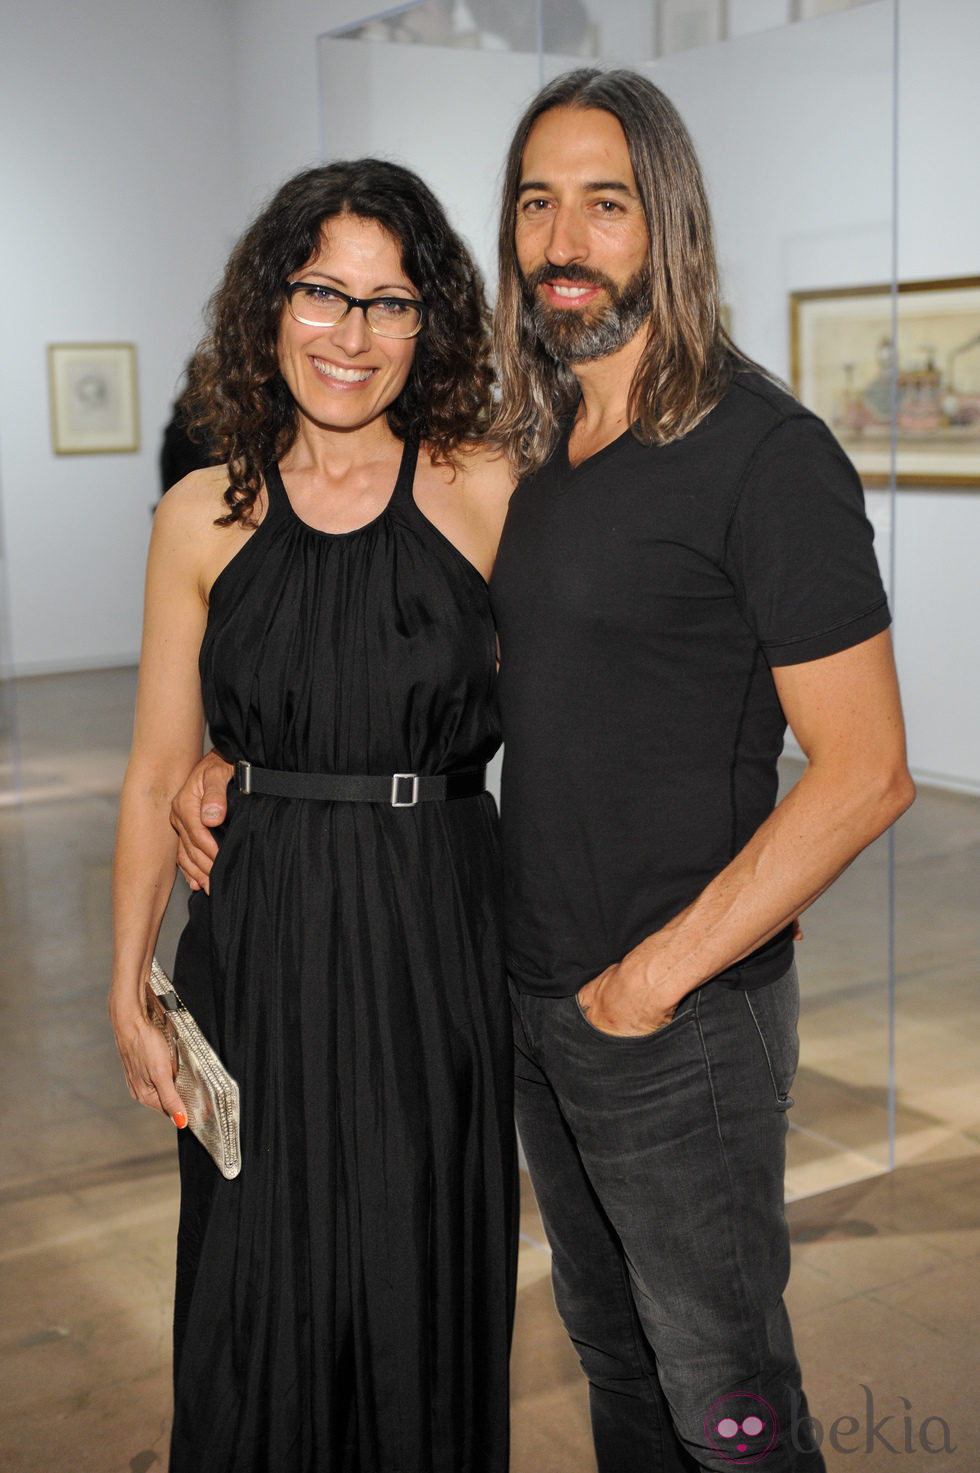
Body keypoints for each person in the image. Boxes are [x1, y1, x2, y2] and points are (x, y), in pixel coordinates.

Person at [173, 69, 916, 1473]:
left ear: (670, 225)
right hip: (526, 1002)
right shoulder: (547, 454)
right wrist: (242, 755)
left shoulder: (765, 454)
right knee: (619, 1372)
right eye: (536, 202)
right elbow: (467, 684)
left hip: (675, 1026)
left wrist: (659, 974)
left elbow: (871, 769)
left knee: (732, 1404)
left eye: (606, 203)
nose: (564, 239)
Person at [110, 159, 516, 1473]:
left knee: (415, 1274)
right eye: (323, 292)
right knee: (250, 1285)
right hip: (259, 942)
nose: (351, 335)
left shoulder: (488, 490)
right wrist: (128, 986)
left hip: (430, 937)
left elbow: (579, 723)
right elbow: (150, 769)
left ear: (432, 323)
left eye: (390, 303)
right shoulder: (200, 514)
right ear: (269, 304)